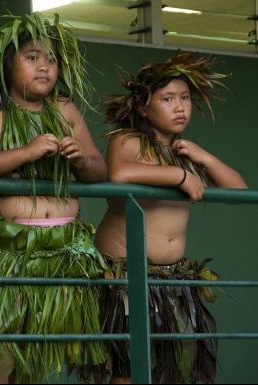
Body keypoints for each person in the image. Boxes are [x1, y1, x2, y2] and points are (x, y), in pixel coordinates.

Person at [0, 13, 109, 384]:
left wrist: (81, 159)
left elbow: (100, 170)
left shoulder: (65, 111)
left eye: (51, 59)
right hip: (7, 256)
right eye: (32, 57)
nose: (44, 67)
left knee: (33, 369)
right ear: (7, 64)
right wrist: (27, 152)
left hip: (60, 257)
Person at [95, 51, 247, 384]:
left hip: (173, 279)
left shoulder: (184, 152)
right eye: (167, 99)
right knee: (130, 369)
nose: (179, 106)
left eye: (185, 98)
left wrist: (202, 156)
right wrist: (178, 176)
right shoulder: (128, 140)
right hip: (128, 276)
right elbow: (119, 174)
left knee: (176, 368)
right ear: (142, 107)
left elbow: (239, 191)